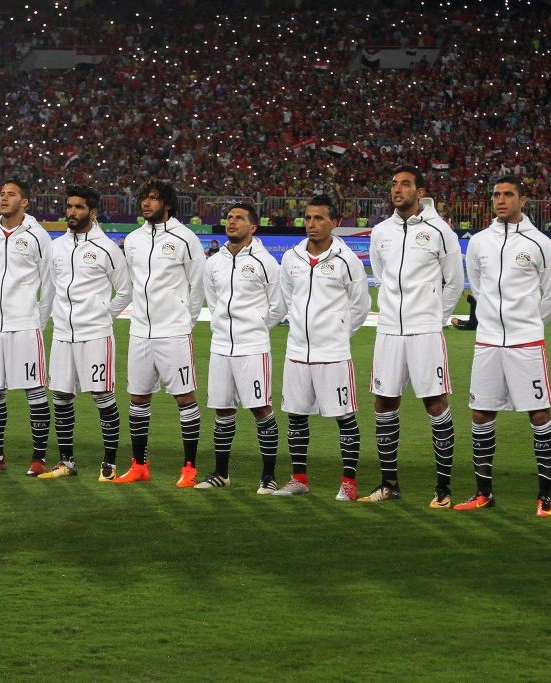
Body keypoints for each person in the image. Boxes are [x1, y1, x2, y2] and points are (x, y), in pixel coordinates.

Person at [457, 176, 551, 515]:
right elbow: (476, 282)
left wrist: (529, 324)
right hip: (487, 342)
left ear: (523, 200)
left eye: (508, 195)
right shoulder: (479, 242)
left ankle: (545, 497)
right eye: (496, 195)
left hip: (525, 343)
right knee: (481, 413)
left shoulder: (539, 242)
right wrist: (492, 320)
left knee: (539, 414)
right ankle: (483, 493)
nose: (500, 200)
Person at [361, 165, 464, 506]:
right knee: (384, 402)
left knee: (435, 403)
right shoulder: (381, 232)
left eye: (405, 184)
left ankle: (443, 490)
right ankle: (389, 485)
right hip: (389, 328)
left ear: (420, 192)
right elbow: (380, 272)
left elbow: (454, 282)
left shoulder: (440, 230)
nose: (398, 189)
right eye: (394, 184)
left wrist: (436, 318)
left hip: (425, 330)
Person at [275, 195, 369, 499]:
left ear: (335, 223)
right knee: (296, 416)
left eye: (319, 218)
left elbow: (360, 306)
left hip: (333, 353)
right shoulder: (291, 257)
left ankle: (349, 483)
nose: (311, 224)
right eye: (308, 217)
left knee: (345, 417)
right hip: (297, 352)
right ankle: (299, 478)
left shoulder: (347, 260)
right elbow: (288, 297)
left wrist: (338, 333)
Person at [114, 180, 206, 486]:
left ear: (167, 204)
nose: (146, 203)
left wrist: (185, 322)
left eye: (153, 198)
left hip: (173, 333)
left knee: (185, 397)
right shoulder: (134, 240)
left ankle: (189, 468)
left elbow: (198, 285)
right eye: (144, 198)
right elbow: (127, 285)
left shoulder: (185, 238)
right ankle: (139, 466)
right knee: (138, 398)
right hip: (140, 331)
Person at [39, 185, 132, 480]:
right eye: (69, 206)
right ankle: (66, 462)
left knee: (103, 397)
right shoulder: (56, 247)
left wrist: (102, 314)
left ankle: (109, 464)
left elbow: (126, 291)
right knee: (62, 397)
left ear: (92, 212)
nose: (72, 212)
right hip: (63, 334)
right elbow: (51, 289)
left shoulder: (107, 248)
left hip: (95, 335)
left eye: (79, 207)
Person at [0, 179, 55, 475]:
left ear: (24, 202)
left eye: (11, 194)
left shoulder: (38, 235)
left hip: (25, 326)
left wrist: (37, 324)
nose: (4, 199)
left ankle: (38, 458)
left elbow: (49, 284)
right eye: (2, 194)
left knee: (35, 392)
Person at [195, 203, 285, 492]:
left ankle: (268, 477)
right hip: (220, 347)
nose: (232, 222)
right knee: (222, 411)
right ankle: (221, 474)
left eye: (239, 218)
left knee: (261, 409)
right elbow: (212, 299)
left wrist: (256, 326)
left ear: (253, 227)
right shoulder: (213, 263)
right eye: (230, 217)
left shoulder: (266, 262)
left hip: (252, 347)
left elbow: (278, 305)